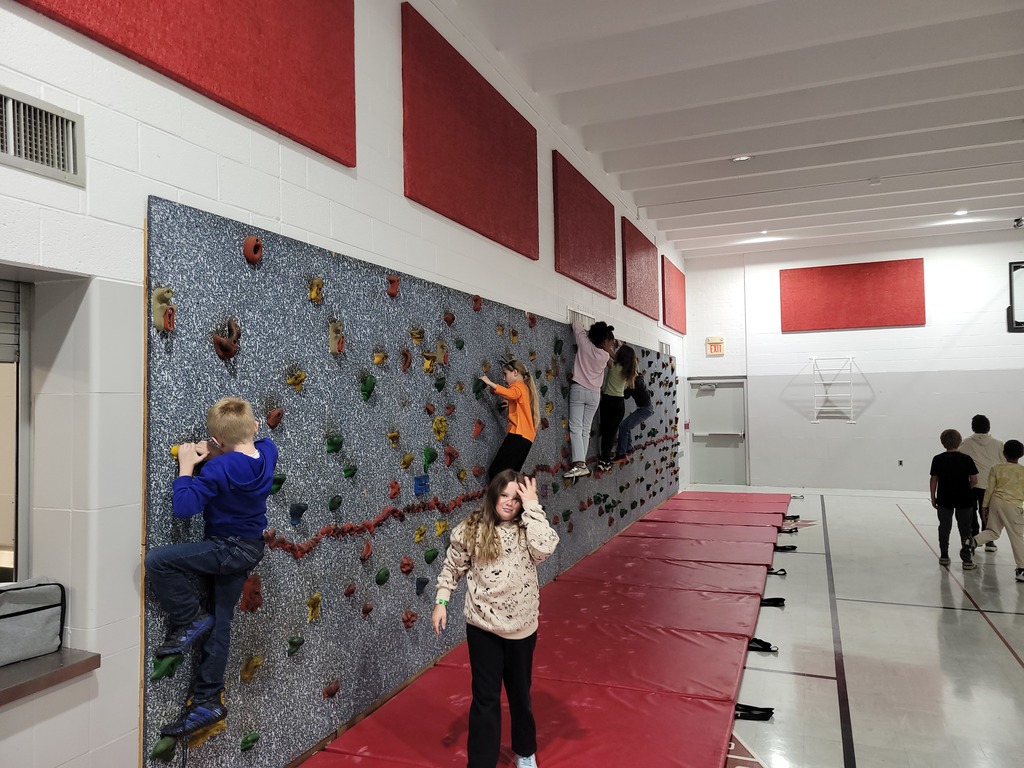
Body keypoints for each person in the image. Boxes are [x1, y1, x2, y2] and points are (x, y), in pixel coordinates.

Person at [145, 397, 278, 737]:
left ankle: (189, 617)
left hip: (227, 548)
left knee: (157, 561)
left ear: (217, 442)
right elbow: (249, 449)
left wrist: (188, 465)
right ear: (254, 427)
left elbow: (185, 507)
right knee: (222, 622)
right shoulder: (268, 452)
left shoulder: (218, 468)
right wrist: (224, 449)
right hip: (250, 547)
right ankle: (207, 700)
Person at [432, 470, 559, 768]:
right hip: (483, 627)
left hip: (521, 628)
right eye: (505, 495)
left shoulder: (528, 528)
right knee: (485, 699)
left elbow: (546, 547)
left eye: (516, 498)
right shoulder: (472, 528)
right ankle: (481, 763)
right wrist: (441, 601)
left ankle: (525, 752)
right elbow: (453, 566)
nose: (509, 503)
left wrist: (532, 506)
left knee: (519, 695)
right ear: (493, 495)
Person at [563, 320, 616, 479]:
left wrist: (589, 333)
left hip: (579, 389)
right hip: (594, 394)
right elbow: (611, 356)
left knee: (575, 427)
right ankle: (582, 464)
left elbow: (576, 324)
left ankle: (580, 464)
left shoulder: (584, 344)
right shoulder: (605, 355)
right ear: (605, 342)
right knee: (585, 428)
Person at [965, 439, 1024, 583]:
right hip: (1013, 505)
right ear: (1021, 455)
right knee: (1016, 535)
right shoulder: (1022, 471)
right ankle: (1021, 569)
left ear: (1003, 453)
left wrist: (984, 507)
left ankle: (972, 542)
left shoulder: (996, 468)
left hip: (996, 502)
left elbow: (989, 488)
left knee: (993, 531)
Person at [479, 360, 540, 478]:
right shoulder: (525, 388)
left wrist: (490, 383)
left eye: (505, 374)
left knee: (498, 472)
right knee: (509, 475)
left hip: (518, 435)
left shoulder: (519, 386)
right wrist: (510, 404)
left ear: (515, 372)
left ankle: (496, 495)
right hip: (526, 439)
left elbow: (511, 393)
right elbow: (520, 404)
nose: (503, 378)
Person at [928, 429, 977, 569]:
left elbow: (933, 479)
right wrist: (966, 487)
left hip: (944, 498)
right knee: (966, 528)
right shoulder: (967, 459)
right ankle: (967, 560)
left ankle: (944, 555)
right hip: (964, 499)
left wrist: (933, 497)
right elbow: (974, 480)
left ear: (943, 443)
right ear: (959, 442)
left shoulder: (937, 459)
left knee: (944, 527)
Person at [958, 414, 1004, 549]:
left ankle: (973, 536)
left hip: (972, 484)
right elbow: (1003, 462)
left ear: (973, 427)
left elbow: (960, 460)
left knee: (971, 511)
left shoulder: (966, 442)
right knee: (988, 512)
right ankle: (988, 540)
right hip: (991, 485)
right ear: (988, 427)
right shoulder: (998, 444)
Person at [596, 344, 637, 472]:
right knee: (610, 433)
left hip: (608, 401)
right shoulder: (629, 370)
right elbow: (613, 356)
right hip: (619, 404)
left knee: (607, 433)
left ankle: (604, 460)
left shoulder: (614, 367)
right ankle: (605, 460)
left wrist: (604, 345)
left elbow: (607, 352)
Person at [612, 368, 654, 463]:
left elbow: (625, 395)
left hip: (644, 410)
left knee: (623, 427)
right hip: (645, 409)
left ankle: (621, 454)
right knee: (626, 426)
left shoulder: (635, 383)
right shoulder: (639, 378)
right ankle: (628, 448)